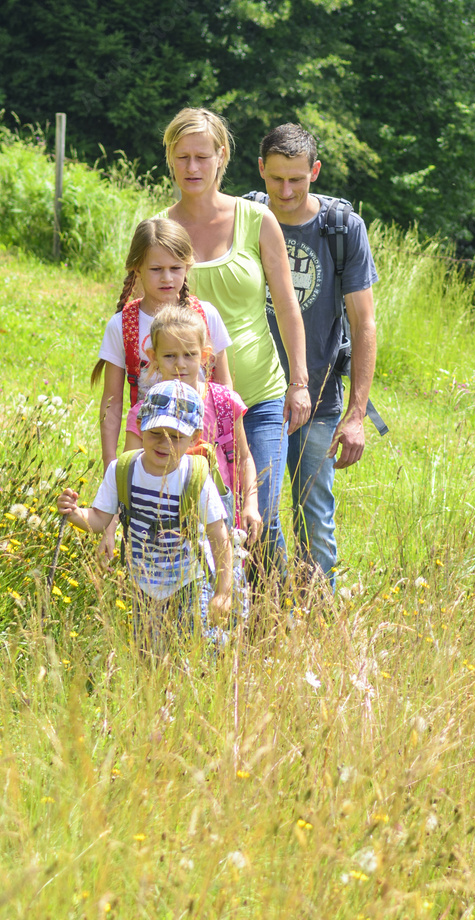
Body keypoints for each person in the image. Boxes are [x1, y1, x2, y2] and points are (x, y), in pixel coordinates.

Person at [158, 108, 311, 589]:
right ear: (170, 160)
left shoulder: (256, 219)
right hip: (191, 408)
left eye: (203, 155)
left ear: (222, 157)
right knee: (209, 518)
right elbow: (145, 312)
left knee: (259, 512)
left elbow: (287, 307)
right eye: (182, 156)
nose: (193, 167)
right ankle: (220, 617)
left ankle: (280, 612)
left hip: (261, 397)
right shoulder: (161, 229)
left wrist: (301, 383)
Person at [254, 123, 379, 588]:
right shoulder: (243, 218)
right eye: (276, 178)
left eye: (298, 179)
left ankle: (313, 621)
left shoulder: (342, 229)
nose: (286, 191)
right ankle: (263, 611)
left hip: (321, 399)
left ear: (316, 172)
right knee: (255, 517)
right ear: (261, 169)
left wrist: (357, 415)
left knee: (316, 526)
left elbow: (364, 323)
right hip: (253, 397)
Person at [57, 381, 236, 651]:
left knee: (189, 650)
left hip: (188, 581)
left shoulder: (195, 478)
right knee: (147, 653)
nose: (164, 443)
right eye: (155, 433)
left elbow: (218, 535)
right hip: (142, 584)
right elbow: (98, 520)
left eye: (176, 436)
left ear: (195, 437)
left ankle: (209, 667)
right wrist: (73, 513)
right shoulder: (123, 469)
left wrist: (223, 591)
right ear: (141, 424)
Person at [91, 217, 232, 473]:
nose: (167, 278)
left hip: (200, 454)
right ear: (137, 269)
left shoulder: (206, 316)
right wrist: (111, 465)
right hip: (148, 452)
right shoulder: (122, 325)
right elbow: (111, 404)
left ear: (187, 267)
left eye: (175, 268)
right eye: (156, 269)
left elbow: (224, 388)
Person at [123, 304, 261, 544]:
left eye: (189, 354)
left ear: (205, 355)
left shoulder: (224, 403)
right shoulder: (142, 414)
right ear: (153, 356)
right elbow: (127, 470)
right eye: (169, 356)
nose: (180, 364)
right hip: (160, 529)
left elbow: (244, 458)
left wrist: (251, 503)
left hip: (221, 519)